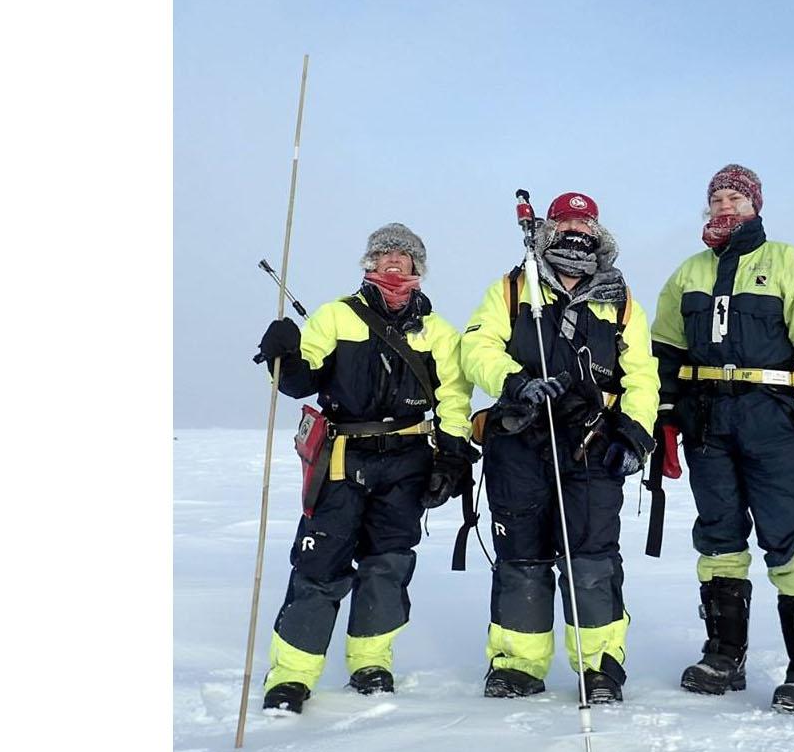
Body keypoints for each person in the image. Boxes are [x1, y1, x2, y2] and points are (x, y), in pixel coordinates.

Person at [650, 164, 794, 715]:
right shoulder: (688, 273)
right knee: (717, 535)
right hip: (705, 422)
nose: (726, 205)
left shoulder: (788, 261)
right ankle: (723, 657)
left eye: (736, 197)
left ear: (756, 206)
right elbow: (664, 354)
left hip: (771, 418)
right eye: (717, 197)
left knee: (787, 535)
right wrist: (665, 420)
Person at [254, 223, 477, 714]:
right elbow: (300, 379)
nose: (393, 261)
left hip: (407, 460)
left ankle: (371, 662)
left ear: (418, 267)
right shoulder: (335, 317)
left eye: (404, 255)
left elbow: (455, 399)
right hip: (340, 458)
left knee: (388, 564)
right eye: (383, 254)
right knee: (319, 566)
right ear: (369, 265)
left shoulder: (439, 331)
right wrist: (284, 353)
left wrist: (452, 453)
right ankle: (292, 674)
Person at [460, 192, 658, 704]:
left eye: (585, 221)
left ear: (598, 233)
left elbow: (642, 375)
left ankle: (600, 666)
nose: (576, 229)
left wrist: (635, 433)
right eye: (566, 220)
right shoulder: (512, 288)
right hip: (521, 437)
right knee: (521, 555)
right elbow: (476, 348)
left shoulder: (621, 300)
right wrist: (514, 382)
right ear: (548, 229)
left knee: (591, 557)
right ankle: (518, 665)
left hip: (593, 444)